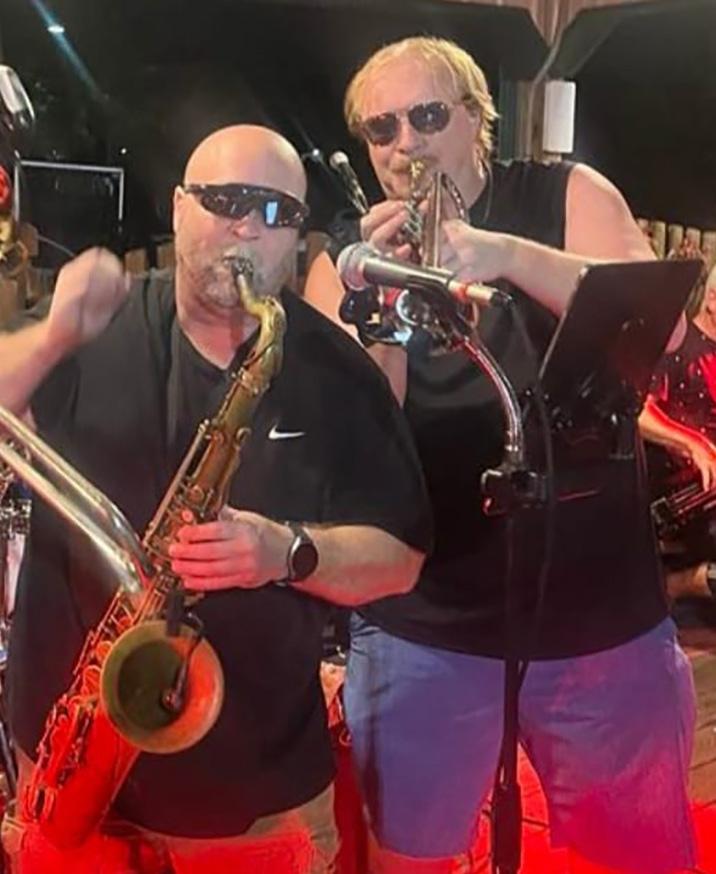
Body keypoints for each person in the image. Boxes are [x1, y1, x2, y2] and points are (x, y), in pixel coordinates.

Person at [305, 36, 696, 874]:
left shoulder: (563, 194)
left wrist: (503, 253)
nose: (406, 144)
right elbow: (354, 438)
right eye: (382, 129)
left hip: (598, 616)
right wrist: (385, 306)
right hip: (427, 619)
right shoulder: (350, 258)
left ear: (476, 118)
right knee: (409, 854)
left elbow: (660, 327)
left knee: (634, 855)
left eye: (426, 116)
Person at [0, 124, 432, 874]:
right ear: (178, 207)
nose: (248, 227)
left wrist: (286, 552)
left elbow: (401, 559)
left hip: (251, 792)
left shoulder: (337, 372)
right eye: (225, 201)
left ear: (297, 236)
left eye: (276, 212)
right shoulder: (95, 326)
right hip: (69, 757)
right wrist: (52, 336)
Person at [640, 262, 716, 600]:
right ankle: (680, 582)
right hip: (679, 499)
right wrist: (691, 443)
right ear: (712, 299)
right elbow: (637, 411)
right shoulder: (676, 343)